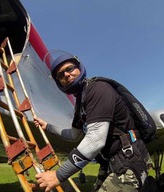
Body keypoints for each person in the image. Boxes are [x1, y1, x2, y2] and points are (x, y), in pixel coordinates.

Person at [34, 51, 150, 192]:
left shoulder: (97, 88)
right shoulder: (80, 104)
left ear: (79, 68)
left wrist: (59, 175)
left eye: (69, 69)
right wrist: (48, 126)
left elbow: (95, 139)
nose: (66, 75)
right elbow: (74, 135)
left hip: (128, 158)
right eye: (60, 75)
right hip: (111, 161)